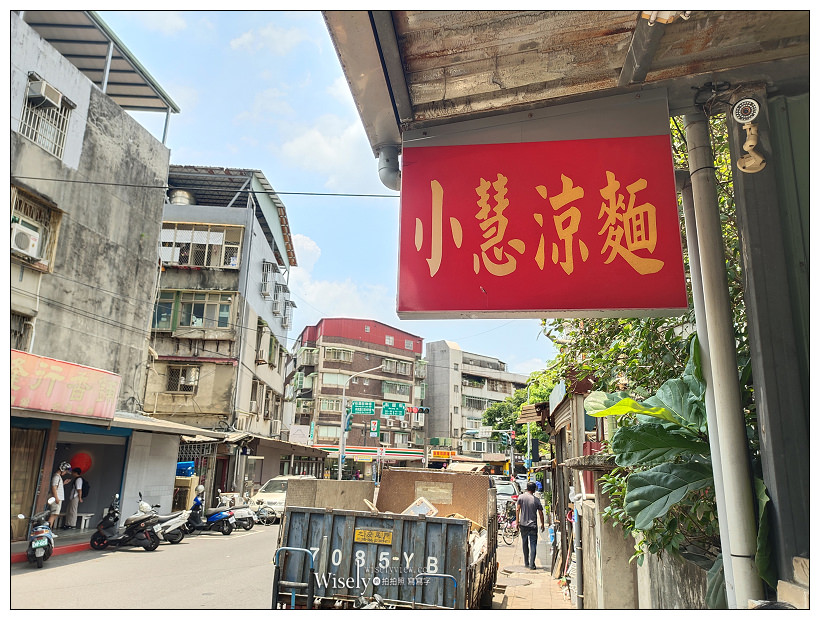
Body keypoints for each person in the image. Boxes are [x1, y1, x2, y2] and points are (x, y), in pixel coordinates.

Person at [516, 481, 545, 570]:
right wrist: (543, 524)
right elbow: (540, 513)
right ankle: (532, 564)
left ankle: (526, 562)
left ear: (527, 488)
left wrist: (517, 522)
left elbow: (517, 510)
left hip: (523, 525)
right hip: (533, 526)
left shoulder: (521, 497)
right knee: (533, 545)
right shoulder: (536, 500)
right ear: (534, 489)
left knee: (524, 544)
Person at [48, 461, 72, 534]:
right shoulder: (56, 477)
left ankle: (49, 530)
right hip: (56, 499)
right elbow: (54, 488)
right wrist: (56, 498)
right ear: (62, 469)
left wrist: (63, 483)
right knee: (53, 515)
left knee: (55, 515)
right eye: (65, 471)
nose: (65, 473)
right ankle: (48, 531)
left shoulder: (58, 477)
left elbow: (56, 487)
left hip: (58, 498)